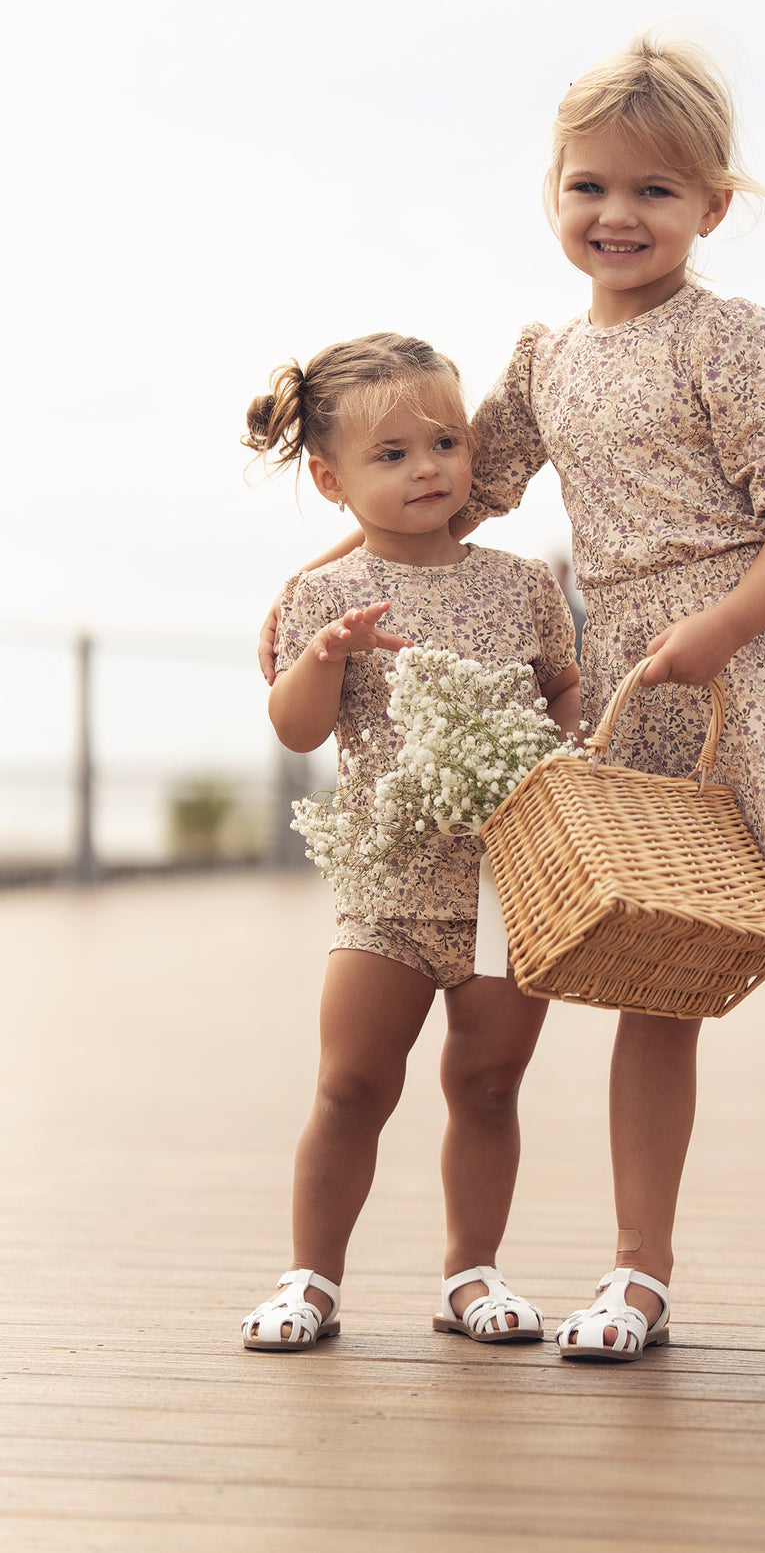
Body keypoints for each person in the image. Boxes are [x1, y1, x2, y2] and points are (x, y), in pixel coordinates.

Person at [259, 35, 765, 1371]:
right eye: (588, 187)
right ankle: (638, 1269)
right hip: (632, 682)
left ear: (710, 207)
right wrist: (302, 590)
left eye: (655, 192)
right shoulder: (547, 361)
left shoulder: (735, 338)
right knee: (656, 977)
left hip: (762, 669)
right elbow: (450, 489)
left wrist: (721, 626)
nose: (617, 215)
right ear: (554, 195)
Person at [241, 333, 581, 1352]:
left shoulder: (520, 585)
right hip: (384, 891)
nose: (427, 467)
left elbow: (562, 686)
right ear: (330, 478)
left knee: (486, 1084)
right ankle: (311, 1277)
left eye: (443, 441)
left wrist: (546, 750)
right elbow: (296, 729)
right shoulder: (321, 598)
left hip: (499, 892)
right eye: (391, 455)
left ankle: (470, 1273)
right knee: (350, 1084)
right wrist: (321, 658)